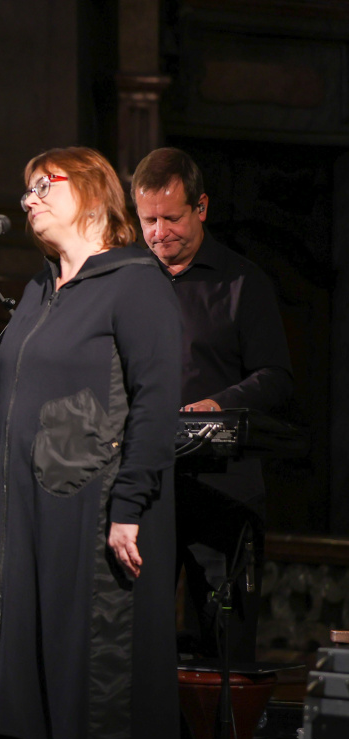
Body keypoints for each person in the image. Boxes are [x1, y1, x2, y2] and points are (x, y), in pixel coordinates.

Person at [0, 146, 181, 739]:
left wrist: (128, 508)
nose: (28, 198)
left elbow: (157, 402)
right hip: (37, 508)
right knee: (46, 657)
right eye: (24, 185)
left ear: (92, 195)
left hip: (99, 507)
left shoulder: (134, 283)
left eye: (43, 185)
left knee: (96, 667)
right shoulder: (43, 287)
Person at [131, 147, 294, 664]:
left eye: (172, 218)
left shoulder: (243, 282)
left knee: (223, 644)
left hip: (222, 488)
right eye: (148, 221)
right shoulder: (127, 282)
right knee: (137, 643)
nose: (159, 233)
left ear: (201, 208)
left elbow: (276, 377)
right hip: (147, 487)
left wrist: (218, 406)